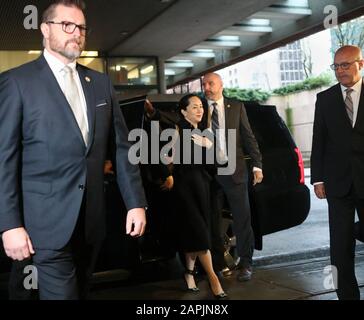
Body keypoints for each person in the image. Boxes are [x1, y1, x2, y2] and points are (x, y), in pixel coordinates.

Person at [0, 0, 147, 300]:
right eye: (67, 25)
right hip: (42, 228)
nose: (76, 33)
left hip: (91, 224)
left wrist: (136, 203)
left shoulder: (101, 84)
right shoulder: (17, 82)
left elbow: (122, 148)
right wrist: (9, 225)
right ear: (44, 29)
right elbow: (4, 159)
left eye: (81, 27)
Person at [145, 94, 227, 299]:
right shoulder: (175, 129)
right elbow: (158, 153)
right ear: (183, 111)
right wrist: (167, 174)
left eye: (201, 107)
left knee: (195, 233)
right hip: (183, 188)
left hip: (203, 186)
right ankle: (213, 278)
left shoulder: (204, 132)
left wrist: (209, 146)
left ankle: (189, 273)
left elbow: (218, 164)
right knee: (199, 233)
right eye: (194, 107)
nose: (199, 110)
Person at [311, 45, 364, 300]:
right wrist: (318, 178)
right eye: (336, 66)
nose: (340, 71)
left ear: (360, 64)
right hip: (337, 183)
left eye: (345, 65)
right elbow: (318, 139)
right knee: (341, 246)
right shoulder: (325, 98)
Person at [202, 73, 263, 282]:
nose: (207, 87)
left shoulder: (235, 107)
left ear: (221, 85)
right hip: (209, 174)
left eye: (211, 83)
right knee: (213, 221)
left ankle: (246, 263)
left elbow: (248, 137)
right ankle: (218, 265)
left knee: (242, 219)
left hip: (234, 172)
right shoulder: (199, 108)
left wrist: (257, 165)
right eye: (204, 84)